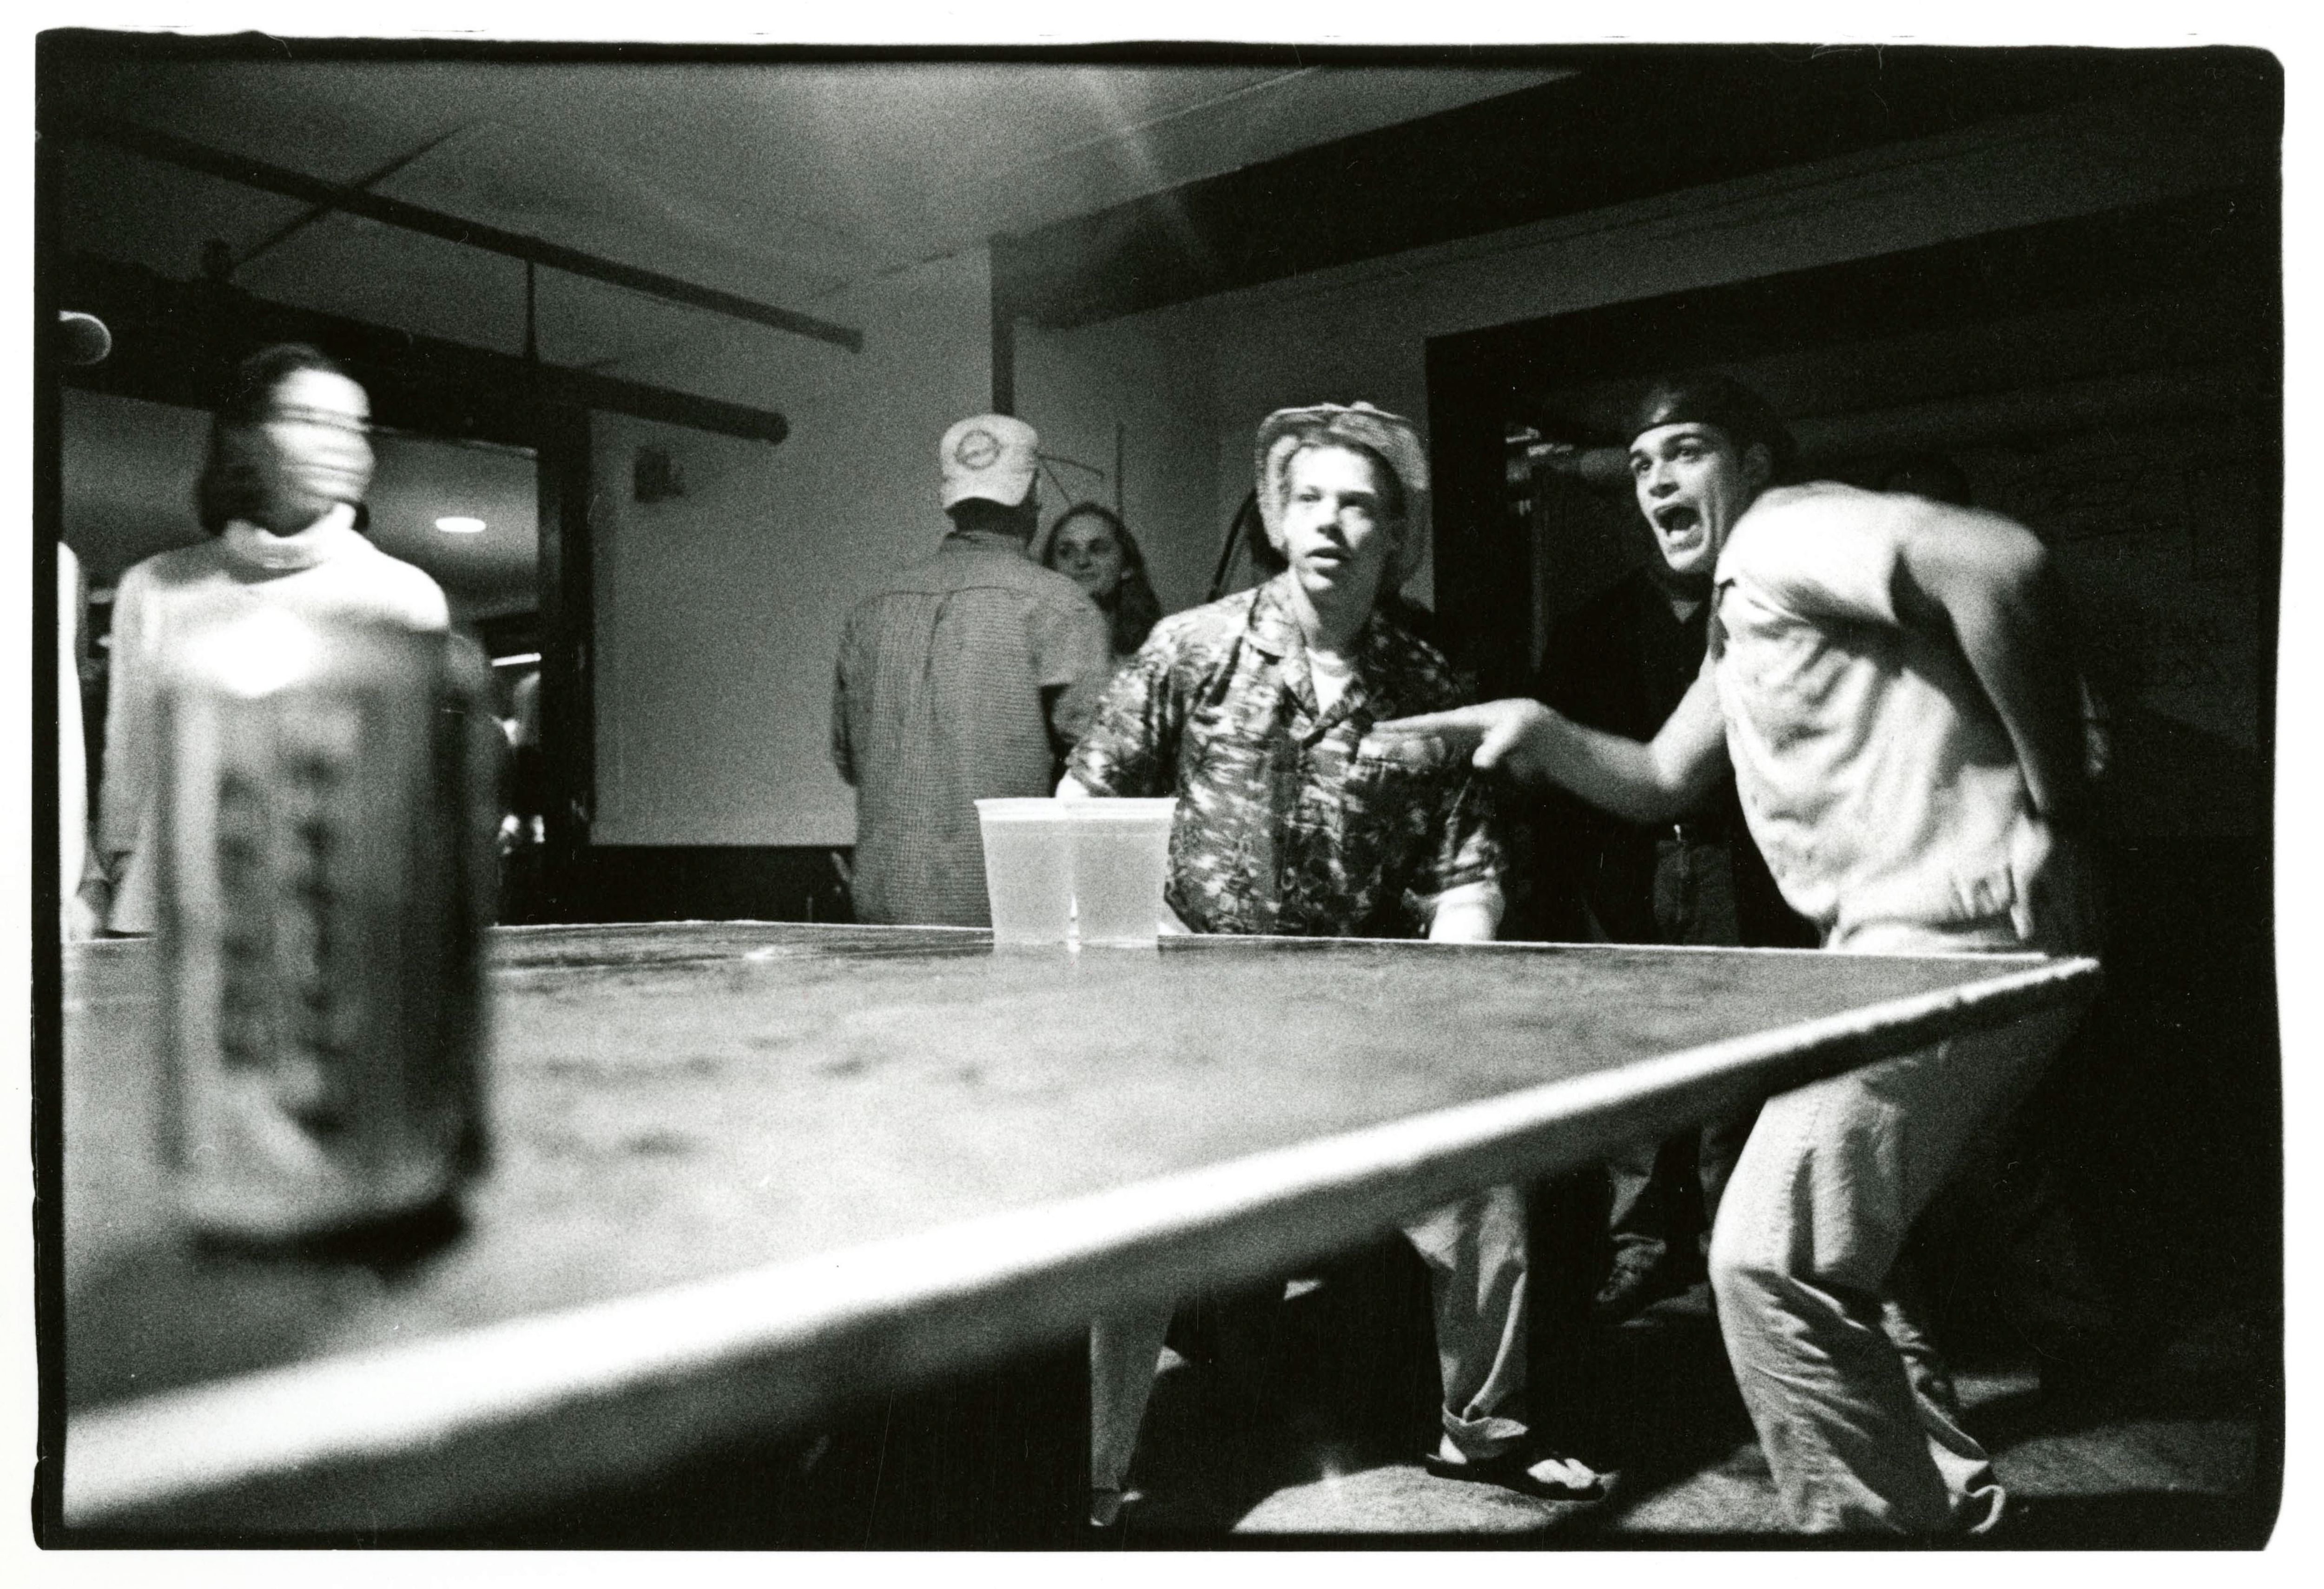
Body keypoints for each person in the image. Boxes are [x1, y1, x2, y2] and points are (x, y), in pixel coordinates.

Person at [1372, 373, 2099, 1534]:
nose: (1654, 477)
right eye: (1640, 462)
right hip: (1898, 956)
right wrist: (1535, 727)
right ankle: (1946, 1497)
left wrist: (2054, 809)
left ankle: (1872, 1538)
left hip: (1950, 945)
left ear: (1755, 463)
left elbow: (1998, 562)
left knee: (1766, 1260)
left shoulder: (1784, 531)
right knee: (1841, 1254)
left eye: (1687, 450)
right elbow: (1661, 775)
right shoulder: (1742, 605)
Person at [1062, 401, 1606, 1525]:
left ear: (1394, 533)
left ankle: (1484, 1430)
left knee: (1483, 1173)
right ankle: (1099, 1472)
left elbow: (1465, 870)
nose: (1329, 522)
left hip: (1367, 1015)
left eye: (1359, 504)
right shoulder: (1192, 648)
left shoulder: (1430, 680)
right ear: (1275, 517)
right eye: (1307, 498)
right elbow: (1083, 803)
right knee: (1131, 1224)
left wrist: (1449, 1001)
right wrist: (1123, 964)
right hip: (1194, 1004)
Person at [1528, 443, 1814, 1325]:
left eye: (1685, 459)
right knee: (1639, 1066)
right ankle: (1641, 1248)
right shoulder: (1593, 628)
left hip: (1736, 862)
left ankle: (1738, 1258)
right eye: (1643, 479)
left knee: (1736, 1073)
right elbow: (1570, 767)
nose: (1659, 496)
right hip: (1627, 866)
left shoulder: (1761, 613)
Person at [92, 344, 450, 935]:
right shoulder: (155, 586)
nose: (342, 444)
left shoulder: (403, 595)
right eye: (309, 418)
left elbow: (414, 802)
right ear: (242, 438)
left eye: (356, 426)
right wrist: (118, 877)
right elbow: (131, 763)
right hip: (166, 917)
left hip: (335, 928)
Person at [831, 415, 1112, 928]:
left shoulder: (871, 611)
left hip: (881, 908)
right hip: (1006, 914)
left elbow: (848, 761)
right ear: (1034, 494)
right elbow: (1104, 777)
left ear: (951, 500)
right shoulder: (1061, 608)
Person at [1039, 501, 1164, 663]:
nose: (1082, 561)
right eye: (1067, 552)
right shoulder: (1034, 652)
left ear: (1126, 566)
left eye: (1098, 549)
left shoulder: (1156, 654)